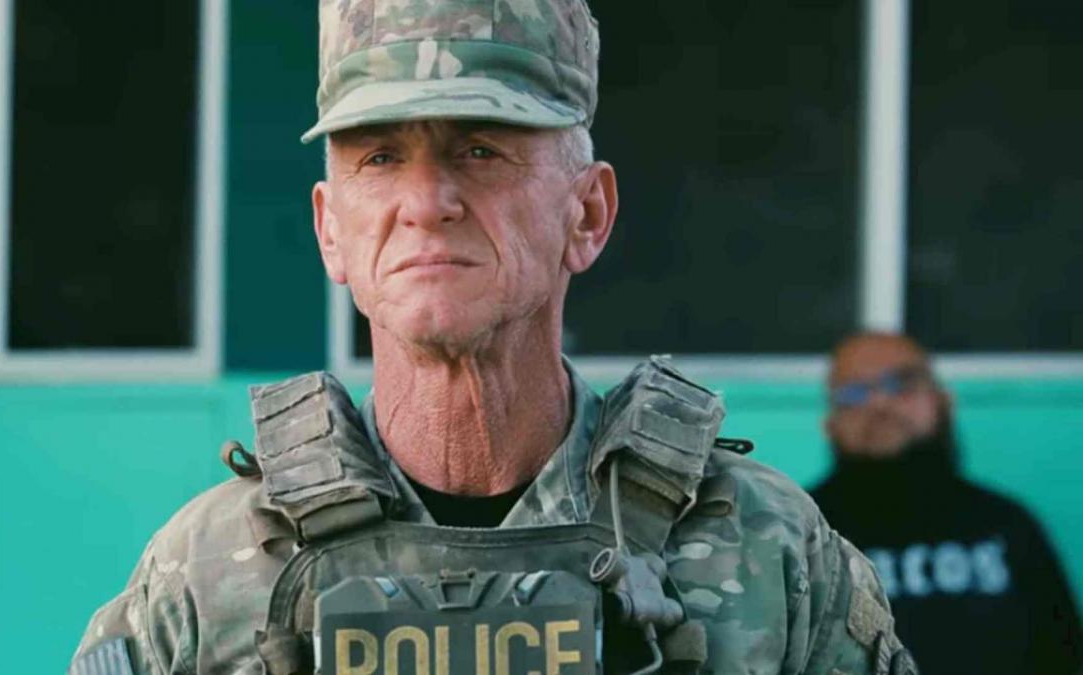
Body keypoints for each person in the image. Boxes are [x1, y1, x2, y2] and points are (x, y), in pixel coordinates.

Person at [70, 2, 912, 673]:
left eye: (480, 148)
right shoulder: (209, 568)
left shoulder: (764, 550)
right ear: (330, 230)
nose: (427, 202)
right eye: (380, 157)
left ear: (587, 213)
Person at [810, 332, 1082, 675]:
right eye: (854, 393)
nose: (879, 403)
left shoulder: (1007, 524)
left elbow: (1062, 656)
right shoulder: (797, 531)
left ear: (944, 402)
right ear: (830, 425)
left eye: (901, 383)